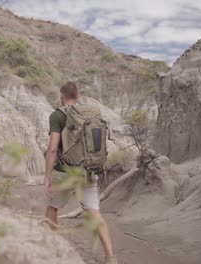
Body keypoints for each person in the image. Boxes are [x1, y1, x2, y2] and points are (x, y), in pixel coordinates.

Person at [44, 82, 118, 264]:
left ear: (62, 96)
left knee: (52, 208)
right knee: (94, 212)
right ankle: (111, 257)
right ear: (78, 95)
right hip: (88, 170)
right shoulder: (92, 112)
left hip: (65, 172)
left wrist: (47, 176)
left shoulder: (58, 115)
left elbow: (53, 149)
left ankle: (53, 249)